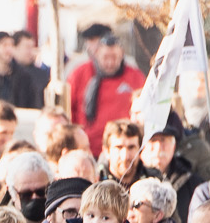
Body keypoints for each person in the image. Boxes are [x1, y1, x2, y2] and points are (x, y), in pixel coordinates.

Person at [63, 24, 147, 153]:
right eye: (105, 58)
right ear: (97, 55)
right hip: (87, 146)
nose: (109, 63)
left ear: (121, 56)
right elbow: (69, 110)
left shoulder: (135, 77)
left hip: (123, 147)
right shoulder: (79, 73)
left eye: (114, 58)